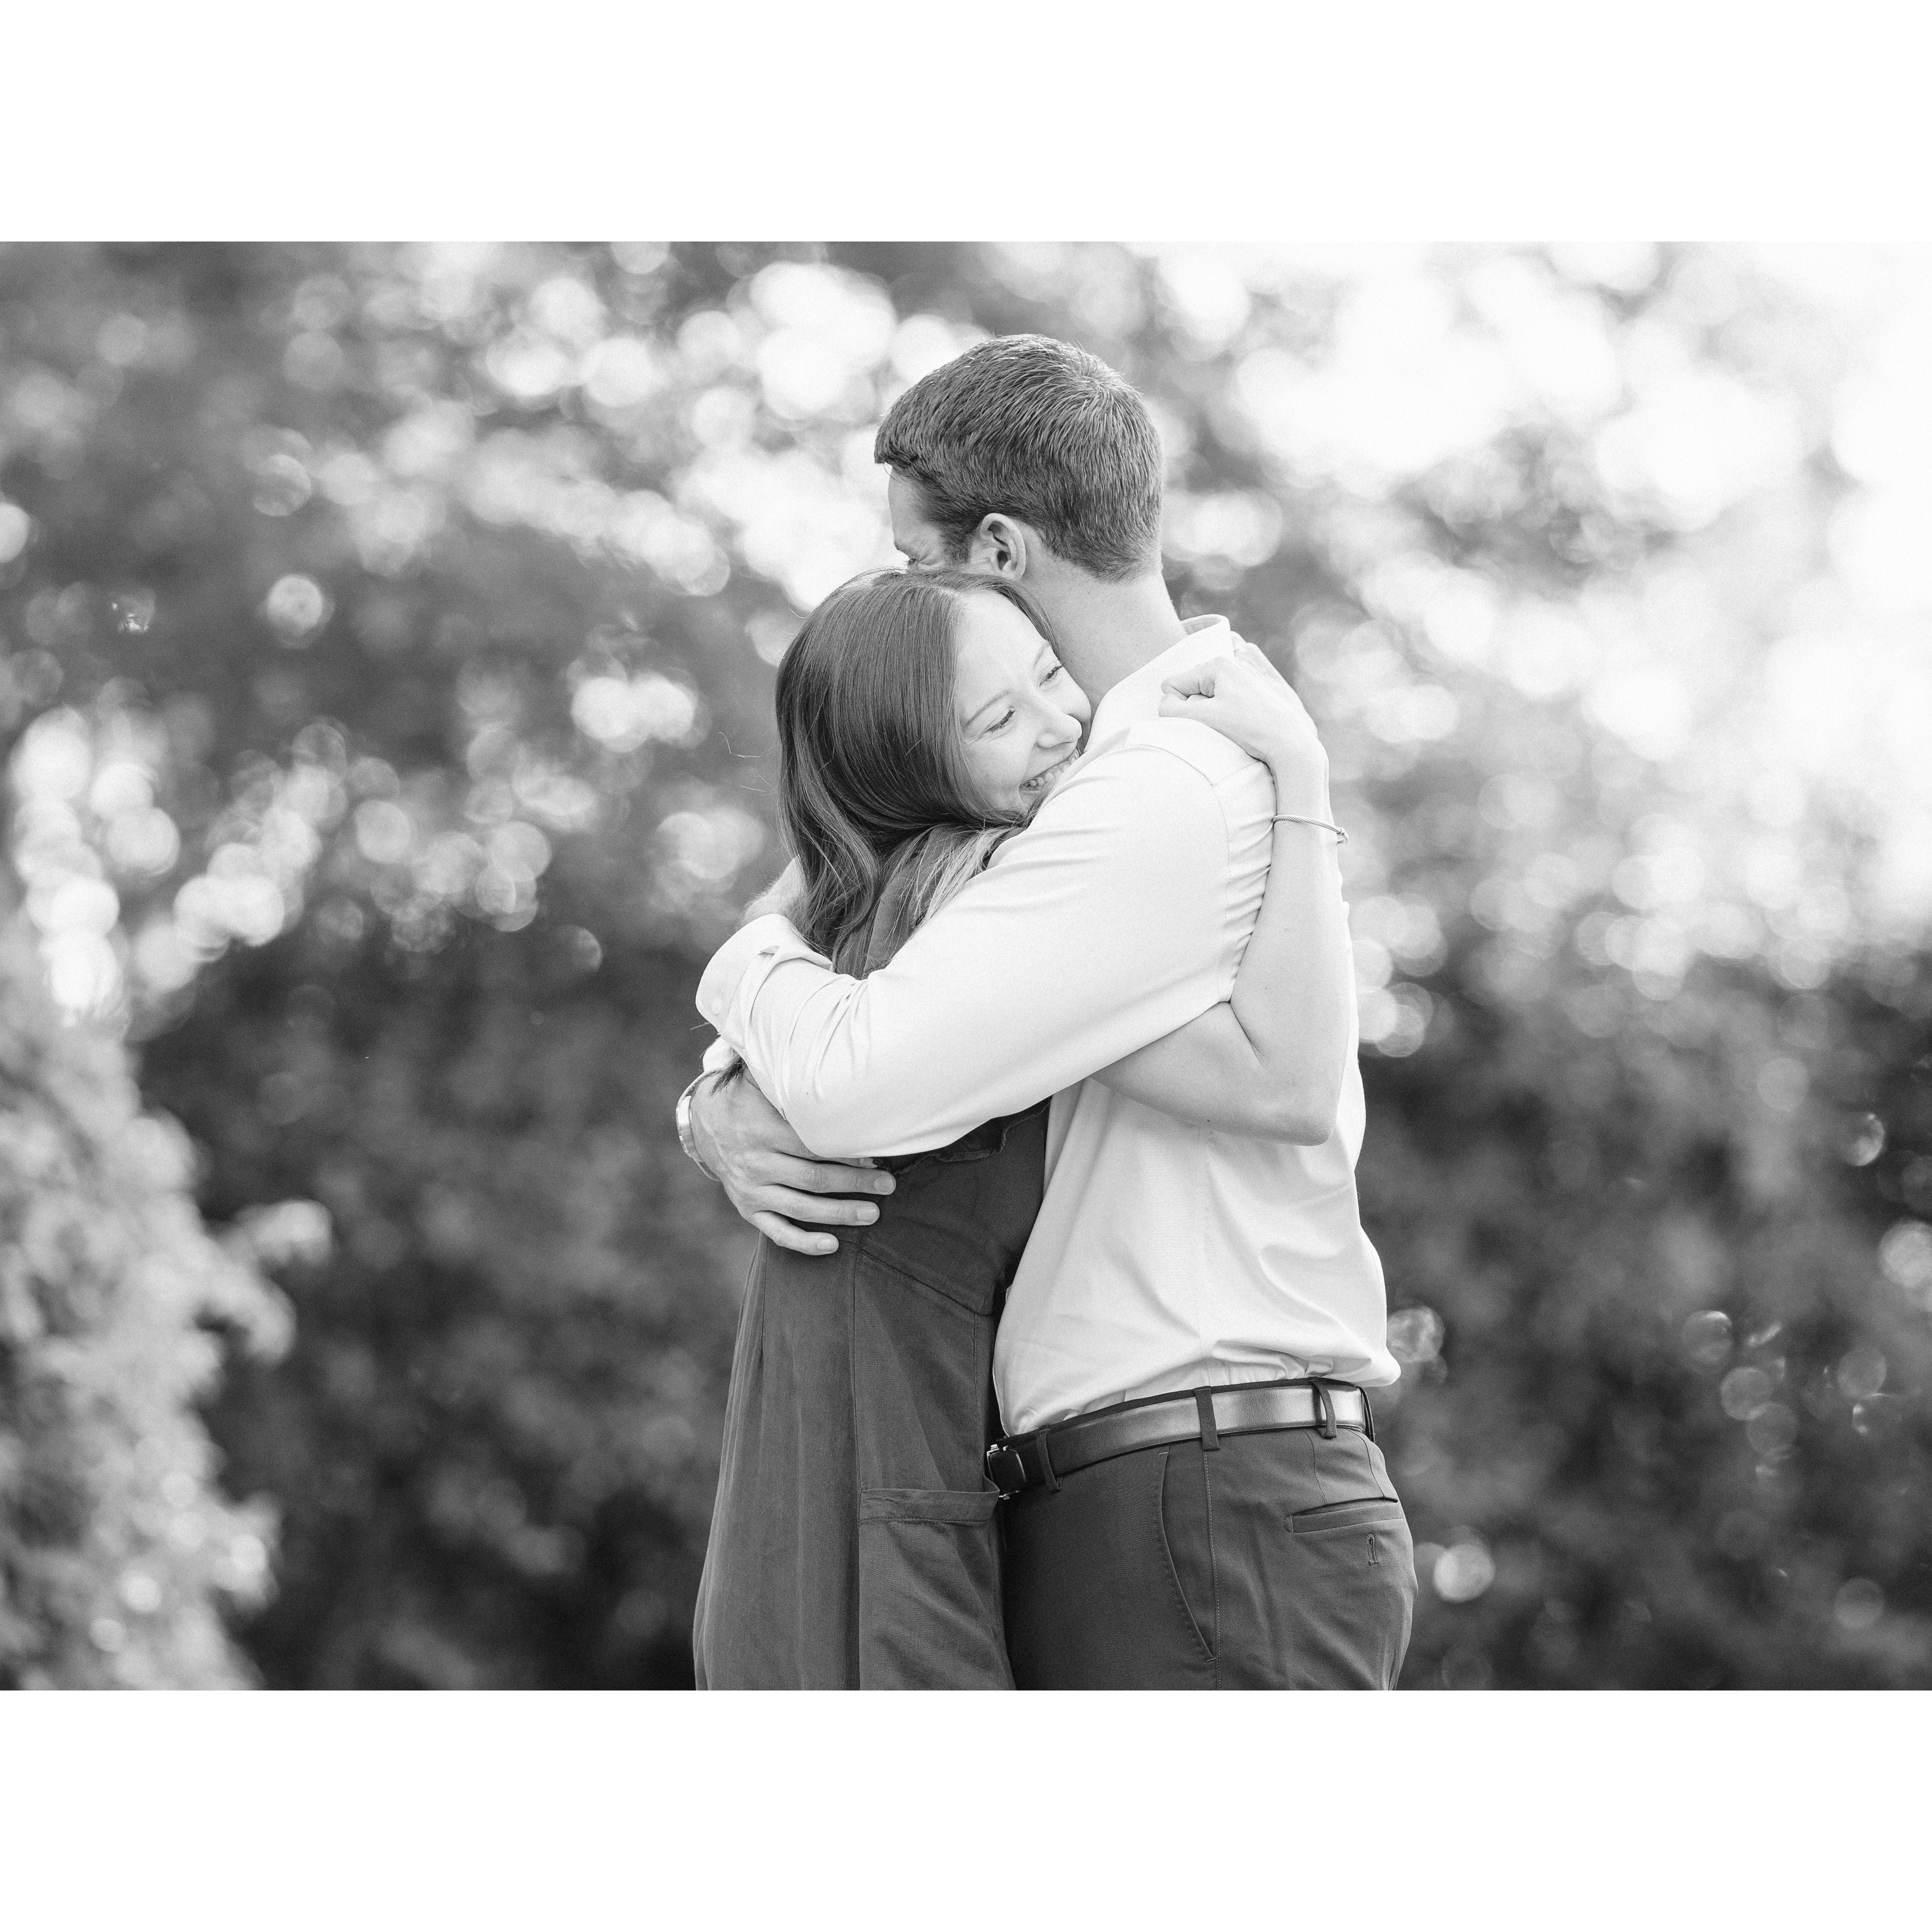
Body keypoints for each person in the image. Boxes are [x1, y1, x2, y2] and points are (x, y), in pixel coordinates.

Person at [686, 335, 1415, 1690]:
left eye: (919, 561)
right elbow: (916, 992)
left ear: (1002, 551)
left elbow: (860, 1078)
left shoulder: (1151, 789)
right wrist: (718, 1098)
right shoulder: (1096, 784)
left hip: (1203, 1491)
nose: (912, 598)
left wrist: (738, 967)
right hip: (1172, 1488)